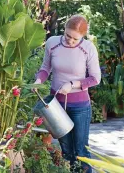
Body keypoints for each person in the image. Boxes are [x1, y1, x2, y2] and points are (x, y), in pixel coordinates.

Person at [34, 14, 101, 173]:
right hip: (55, 106)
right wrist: (38, 81)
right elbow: (45, 68)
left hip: (80, 107)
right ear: (63, 29)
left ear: (83, 37)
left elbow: (95, 78)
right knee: (66, 152)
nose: (70, 41)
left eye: (75, 39)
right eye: (68, 35)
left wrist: (73, 84)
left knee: (80, 152)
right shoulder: (52, 43)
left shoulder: (88, 48)